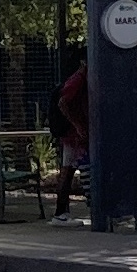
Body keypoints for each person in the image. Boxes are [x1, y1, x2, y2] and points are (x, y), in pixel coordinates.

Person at [52, 58, 90, 223]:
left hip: (73, 134)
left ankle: (61, 212)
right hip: (73, 135)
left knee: (68, 170)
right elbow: (63, 103)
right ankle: (61, 212)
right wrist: (77, 125)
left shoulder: (80, 79)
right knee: (68, 171)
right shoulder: (78, 80)